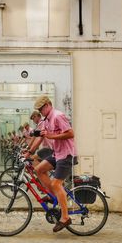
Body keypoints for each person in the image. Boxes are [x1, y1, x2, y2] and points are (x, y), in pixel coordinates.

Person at [25, 95, 77, 233]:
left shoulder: (58, 116)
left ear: (48, 105)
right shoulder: (47, 119)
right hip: (57, 154)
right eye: (39, 109)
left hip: (66, 154)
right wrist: (29, 152)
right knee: (39, 170)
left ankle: (65, 217)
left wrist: (51, 136)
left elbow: (71, 133)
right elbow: (41, 137)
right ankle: (52, 195)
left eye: (41, 108)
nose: (40, 111)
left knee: (56, 183)